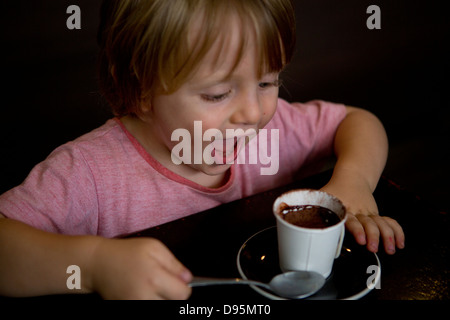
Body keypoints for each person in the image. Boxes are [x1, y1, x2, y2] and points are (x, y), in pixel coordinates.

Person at [0, 0, 404, 299]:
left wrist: (352, 179)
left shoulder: (275, 128)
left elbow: (358, 121)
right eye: (217, 94)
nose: (253, 112)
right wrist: (94, 264)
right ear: (142, 90)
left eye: (267, 82)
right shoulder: (88, 172)